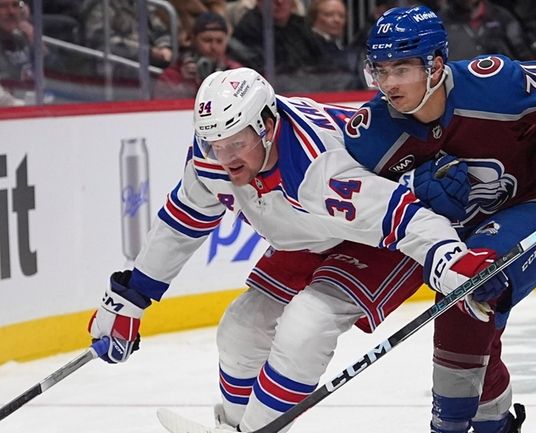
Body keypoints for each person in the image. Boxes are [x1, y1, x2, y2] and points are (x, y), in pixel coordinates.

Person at [86, 67, 509, 432]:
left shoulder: (319, 167)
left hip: (379, 237)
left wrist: (452, 259)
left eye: (237, 143)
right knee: (240, 328)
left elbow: (402, 217)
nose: (227, 159)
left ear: (268, 126)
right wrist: (130, 298)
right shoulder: (212, 156)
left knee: (307, 326)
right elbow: (184, 221)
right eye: (217, 144)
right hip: (311, 232)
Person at [345, 6, 536, 433]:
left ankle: (449, 427)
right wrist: (407, 187)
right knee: (480, 331)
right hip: (469, 234)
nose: (388, 84)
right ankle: (495, 424)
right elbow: (355, 202)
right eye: (380, 70)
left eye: (401, 68)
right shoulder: (373, 135)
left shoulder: (493, 83)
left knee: (469, 294)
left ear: (436, 65)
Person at [154, 12, 242, 99]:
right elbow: (160, 106)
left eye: (219, 41)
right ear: (193, 40)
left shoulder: (237, 72)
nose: (213, 47)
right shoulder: (172, 75)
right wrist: (186, 85)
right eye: (207, 40)